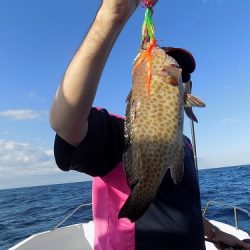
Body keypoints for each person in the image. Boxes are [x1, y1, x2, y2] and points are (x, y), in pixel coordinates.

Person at [49, 1, 250, 249]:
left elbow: (178, 201)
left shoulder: (183, 142)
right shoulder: (119, 132)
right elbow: (65, 124)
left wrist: (214, 232)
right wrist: (111, 16)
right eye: (168, 69)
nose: (177, 76)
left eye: (183, 76)